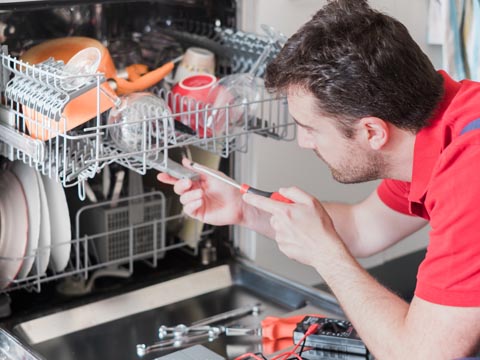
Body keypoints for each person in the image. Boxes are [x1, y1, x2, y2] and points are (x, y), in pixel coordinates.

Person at [158, 0, 480, 358]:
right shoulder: (441, 121)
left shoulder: (470, 175)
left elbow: (420, 353)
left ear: (372, 131)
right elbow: (363, 227)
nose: (303, 142)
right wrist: (244, 207)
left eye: (310, 129)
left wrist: (327, 258)